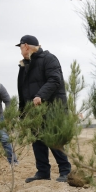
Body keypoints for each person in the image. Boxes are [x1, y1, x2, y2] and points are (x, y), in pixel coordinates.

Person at [16, 35, 71, 183]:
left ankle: (65, 171)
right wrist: (22, 112)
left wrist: (40, 95)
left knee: (53, 139)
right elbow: (23, 90)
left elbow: (55, 79)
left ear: (26, 46)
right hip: (34, 111)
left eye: (21, 47)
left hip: (51, 108)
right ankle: (43, 172)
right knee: (37, 141)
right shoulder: (25, 65)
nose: (20, 51)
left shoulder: (49, 59)